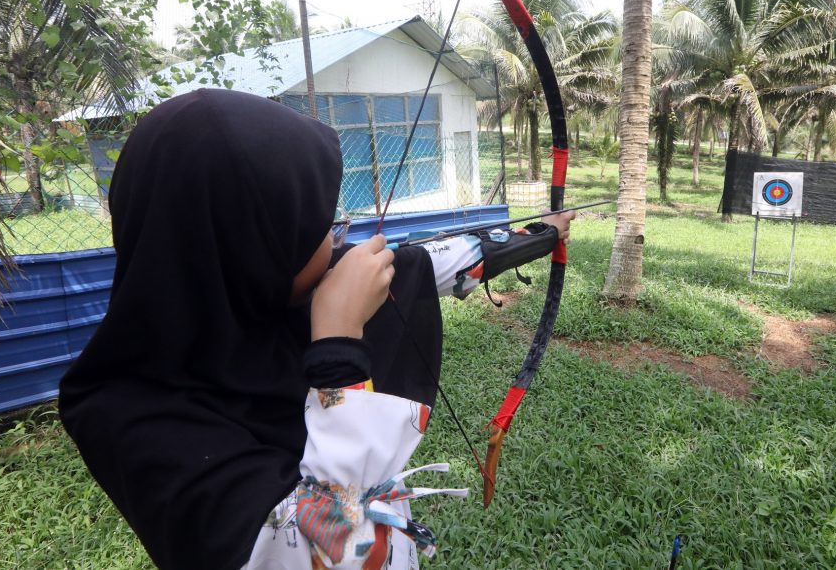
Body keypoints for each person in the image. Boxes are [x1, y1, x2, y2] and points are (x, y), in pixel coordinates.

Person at [59, 88, 573, 570]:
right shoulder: (130, 421)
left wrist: (535, 235)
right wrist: (338, 350)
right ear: (252, 249)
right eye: (325, 228)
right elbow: (337, 549)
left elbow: (415, 263)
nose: (337, 244)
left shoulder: (248, 296)